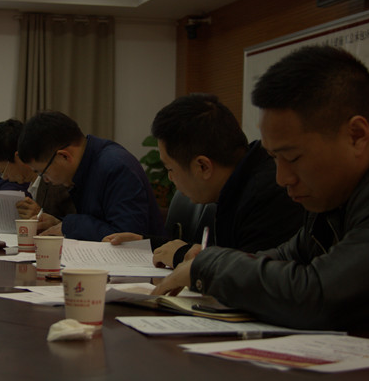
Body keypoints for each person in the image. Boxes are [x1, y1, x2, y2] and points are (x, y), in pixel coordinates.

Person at [153, 45, 369, 334]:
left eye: (293, 158)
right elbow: (285, 257)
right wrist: (201, 261)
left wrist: (211, 265)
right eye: (274, 158)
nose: (281, 178)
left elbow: (318, 296)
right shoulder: (334, 196)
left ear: (356, 136)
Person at [104, 94, 303, 269]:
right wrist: (146, 244)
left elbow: (244, 276)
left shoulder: (267, 194)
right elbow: (220, 255)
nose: (170, 178)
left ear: (203, 167)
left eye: (170, 169)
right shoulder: (240, 179)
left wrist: (182, 256)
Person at [17, 111, 164, 241]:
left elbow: (126, 237)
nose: (46, 180)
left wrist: (70, 225)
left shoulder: (116, 167)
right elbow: (100, 222)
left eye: (43, 173)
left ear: (64, 156)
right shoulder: (87, 164)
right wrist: (58, 223)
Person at [0, 119, 75, 220]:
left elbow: (78, 223)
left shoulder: (58, 182)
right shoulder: (31, 186)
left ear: (18, 157)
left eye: (1, 171)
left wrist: (40, 216)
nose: (4, 178)